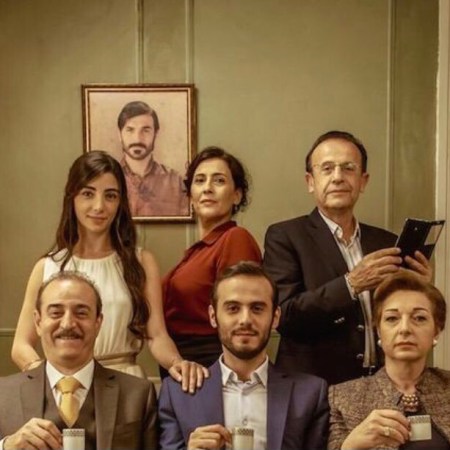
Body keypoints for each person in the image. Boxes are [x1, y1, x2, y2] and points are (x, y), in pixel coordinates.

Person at [12, 150, 206, 393]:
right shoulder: (47, 267)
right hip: (66, 387)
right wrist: (47, 379)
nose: (99, 206)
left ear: (120, 202)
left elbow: (157, 335)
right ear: (72, 198)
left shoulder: (141, 262)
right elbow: (21, 344)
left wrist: (177, 363)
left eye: (110, 196)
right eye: (88, 194)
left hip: (124, 385)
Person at [263, 130, 432, 385]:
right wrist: (351, 284)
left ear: (363, 181)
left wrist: (422, 289)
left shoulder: (386, 242)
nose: (338, 177)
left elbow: (404, 316)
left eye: (348, 168)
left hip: (382, 383)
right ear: (310, 181)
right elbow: (284, 316)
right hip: (314, 387)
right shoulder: (285, 236)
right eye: (327, 168)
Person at [159, 262, 329, 450]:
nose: (245, 320)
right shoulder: (177, 394)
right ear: (213, 316)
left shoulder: (310, 394)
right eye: (233, 308)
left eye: (257, 308)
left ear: (275, 317)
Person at [0, 271, 157, 450]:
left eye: (81, 313)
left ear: (98, 323)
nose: (68, 324)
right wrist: (6, 446)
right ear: (38, 322)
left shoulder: (139, 394)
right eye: (56, 313)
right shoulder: (3, 394)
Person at [162, 147, 262, 374]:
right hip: (183, 365)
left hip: (210, 364)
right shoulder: (196, 252)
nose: (207, 188)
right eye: (200, 180)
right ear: (190, 197)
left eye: (219, 180)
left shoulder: (235, 238)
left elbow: (238, 316)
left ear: (237, 195)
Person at [328, 271, 450, 449]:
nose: (405, 329)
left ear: (436, 331)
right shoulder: (343, 397)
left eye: (419, 318)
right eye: (392, 318)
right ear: (378, 331)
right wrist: (350, 446)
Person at [118, 101, 189, 217]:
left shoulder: (175, 181)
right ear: (119, 134)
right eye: (130, 130)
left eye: (146, 130)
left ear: (155, 134)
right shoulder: (110, 178)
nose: (137, 139)